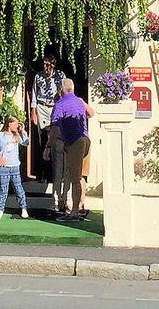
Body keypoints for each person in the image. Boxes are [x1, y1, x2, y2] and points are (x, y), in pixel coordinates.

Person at [49, 78, 94, 222]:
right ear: (72, 89)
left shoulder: (60, 104)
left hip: (75, 142)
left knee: (75, 178)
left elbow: (55, 128)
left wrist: (48, 147)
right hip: (86, 140)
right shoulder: (80, 101)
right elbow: (91, 113)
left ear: (61, 90)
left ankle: (74, 212)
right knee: (79, 175)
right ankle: (78, 206)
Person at [30, 53, 66, 180]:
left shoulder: (60, 76)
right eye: (44, 64)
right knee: (42, 140)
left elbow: (65, 92)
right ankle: (41, 174)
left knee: (56, 138)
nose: (46, 67)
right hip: (42, 107)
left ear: (53, 65)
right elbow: (34, 94)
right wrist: (33, 111)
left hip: (55, 107)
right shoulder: (38, 76)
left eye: (48, 65)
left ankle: (55, 174)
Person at [0, 115, 29, 220]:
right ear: (9, 124)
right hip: (4, 167)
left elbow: (26, 143)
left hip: (15, 166)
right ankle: (0, 209)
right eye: (15, 124)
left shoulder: (16, 135)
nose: (17, 126)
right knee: (2, 188)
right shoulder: (1, 136)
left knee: (18, 188)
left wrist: (23, 131)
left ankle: (23, 208)